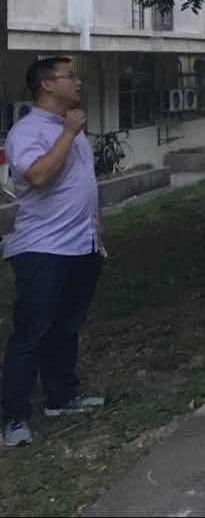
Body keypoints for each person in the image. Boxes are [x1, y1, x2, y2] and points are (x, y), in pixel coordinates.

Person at [3, 58, 104, 448]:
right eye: (70, 76)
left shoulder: (70, 127)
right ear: (47, 84)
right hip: (42, 248)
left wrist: (96, 231)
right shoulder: (27, 131)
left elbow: (83, 184)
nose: (78, 82)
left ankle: (62, 398)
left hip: (81, 245)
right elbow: (39, 176)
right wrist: (68, 133)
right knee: (32, 332)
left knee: (66, 327)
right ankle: (12, 417)